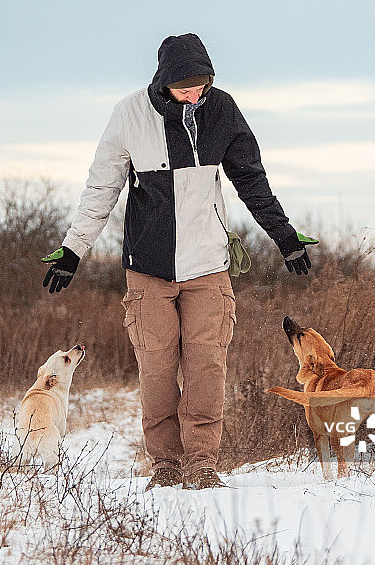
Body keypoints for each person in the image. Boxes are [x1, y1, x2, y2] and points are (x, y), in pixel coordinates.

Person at [42, 33, 316, 490]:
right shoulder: (129, 114)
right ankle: (166, 465)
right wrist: (74, 250)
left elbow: (251, 180)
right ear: (163, 82)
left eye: (202, 85)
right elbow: (101, 188)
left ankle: (203, 463)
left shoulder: (222, 109)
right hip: (148, 269)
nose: (194, 94)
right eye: (185, 87)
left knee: (207, 366)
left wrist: (285, 237)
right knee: (157, 368)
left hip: (208, 265)